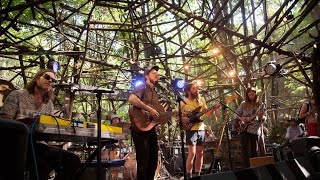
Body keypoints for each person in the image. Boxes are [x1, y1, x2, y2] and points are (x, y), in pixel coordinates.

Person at [0, 69, 81, 180]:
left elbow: (50, 129)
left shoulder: (49, 105)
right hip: (18, 145)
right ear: (37, 78)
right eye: (47, 77)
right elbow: (5, 120)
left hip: (40, 145)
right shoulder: (17, 95)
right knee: (42, 163)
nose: (50, 81)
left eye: (53, 80)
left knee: (73, 160)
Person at [128, 65, 161, 180]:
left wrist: (158, 117)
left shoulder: (155, 93)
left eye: (157, 72)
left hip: (151, 129)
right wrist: (149, 109)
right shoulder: (142, 87)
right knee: (143, 162)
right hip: (139, 130)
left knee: (153, 159)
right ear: (147, 76)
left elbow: (155, 114)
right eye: (153, 73)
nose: (157, 74)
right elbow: (132, 99)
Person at [180, 82, 220, 178]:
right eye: (194, 88)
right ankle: (188, 176)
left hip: (201, 128)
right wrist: (183, 119)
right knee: (192, 153)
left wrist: (214, 108)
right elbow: (178, 116)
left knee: (200, 153)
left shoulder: (201, 100)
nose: (196, 90)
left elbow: (207, 114)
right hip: (191, 129)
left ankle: (197, 175)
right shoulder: (183, 102)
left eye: (196, 88)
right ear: (188, 91)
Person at [235, 87, 266, 169]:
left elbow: (264, 118)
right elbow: (236, 114)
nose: (251, 97)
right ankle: (246, 168)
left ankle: (255, 167)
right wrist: (242, 119)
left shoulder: (260, 104)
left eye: (252, 94)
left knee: (254, 149)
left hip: (254, 129)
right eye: (249, 95)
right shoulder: (243, 103)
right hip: (243, 128)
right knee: (244, 149)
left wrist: (261, 116)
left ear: (255, 94)